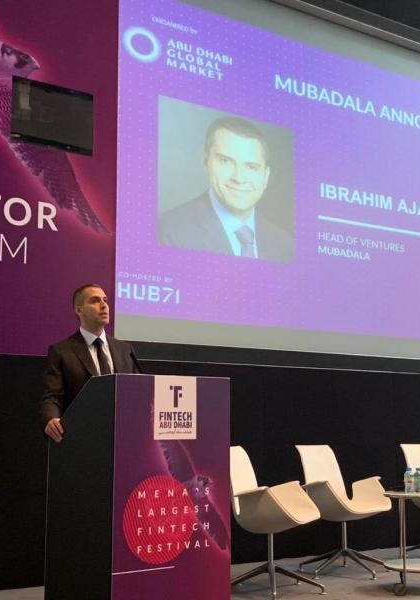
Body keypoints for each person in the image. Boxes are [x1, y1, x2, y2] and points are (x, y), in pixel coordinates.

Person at [159, 115, 293, 262]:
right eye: (225, 161)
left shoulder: (286, 244)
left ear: (266, 176)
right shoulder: (168, 231)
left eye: (251, 167)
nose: (239, 178)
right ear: (206, 163)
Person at [40, 284, 141, 442]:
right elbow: (52, 396)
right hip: (82, 437)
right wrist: (51, 419)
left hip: (123, 438)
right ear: (78, 310)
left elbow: (139, 392)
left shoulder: (125, 350)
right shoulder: (61, 351)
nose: (104, 305)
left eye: (105, 300)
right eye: (95, 301)